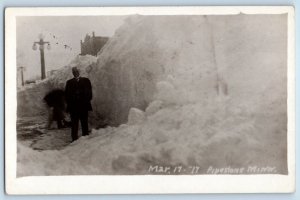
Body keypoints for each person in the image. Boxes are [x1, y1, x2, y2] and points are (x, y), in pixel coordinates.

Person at [65, 67, 93, 142]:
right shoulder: (69, 82)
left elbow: (89, 93)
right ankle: (74, 139)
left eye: (76, 71)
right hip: (74, 108)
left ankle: (86, 137)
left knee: (84, 123)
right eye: (73, 72)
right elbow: (67, 95)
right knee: (74, 124)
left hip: (83, 106)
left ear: (79, 72)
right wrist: (72, 100)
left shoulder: (86, 81)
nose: (75, 73)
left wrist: (84, 99)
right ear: (72, 73)